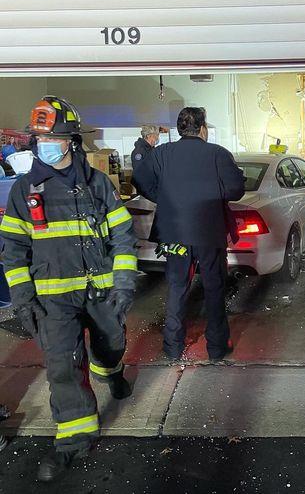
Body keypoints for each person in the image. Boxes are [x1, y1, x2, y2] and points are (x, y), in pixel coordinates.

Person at [0, 96, 137, 482]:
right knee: (62, 366)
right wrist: (23, 298)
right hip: (53, 299)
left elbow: (123, 235)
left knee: (111, 343)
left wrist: (124, 281)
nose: (44, 145)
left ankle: (110, 371)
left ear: (71, 142)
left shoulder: (98, 185)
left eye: (53, 138)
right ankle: (73, 441)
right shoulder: (24, 191)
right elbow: (13, 250)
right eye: (40, 139)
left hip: (102, 291)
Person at [132, 107, 245, 361]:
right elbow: (236, 189)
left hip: (174, 234)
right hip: (209, 232)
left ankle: (173, 347)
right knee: (214, 288)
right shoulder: (218, 154)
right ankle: (216, 348)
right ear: (203, 129)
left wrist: (162, 196)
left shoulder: (161, 153)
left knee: (177, 287)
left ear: (179, 130)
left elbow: (139, 178)